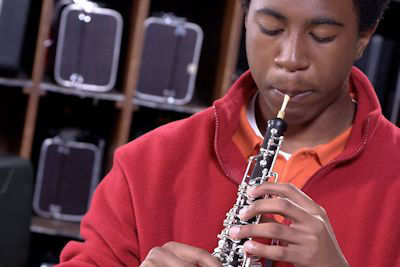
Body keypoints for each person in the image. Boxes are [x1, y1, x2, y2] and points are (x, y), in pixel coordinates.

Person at [58, 0, 400, 266]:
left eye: (321, 36)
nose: (291, 58)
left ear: (363, 37)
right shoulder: (145, 161)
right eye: (270, 28)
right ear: (246, 18)